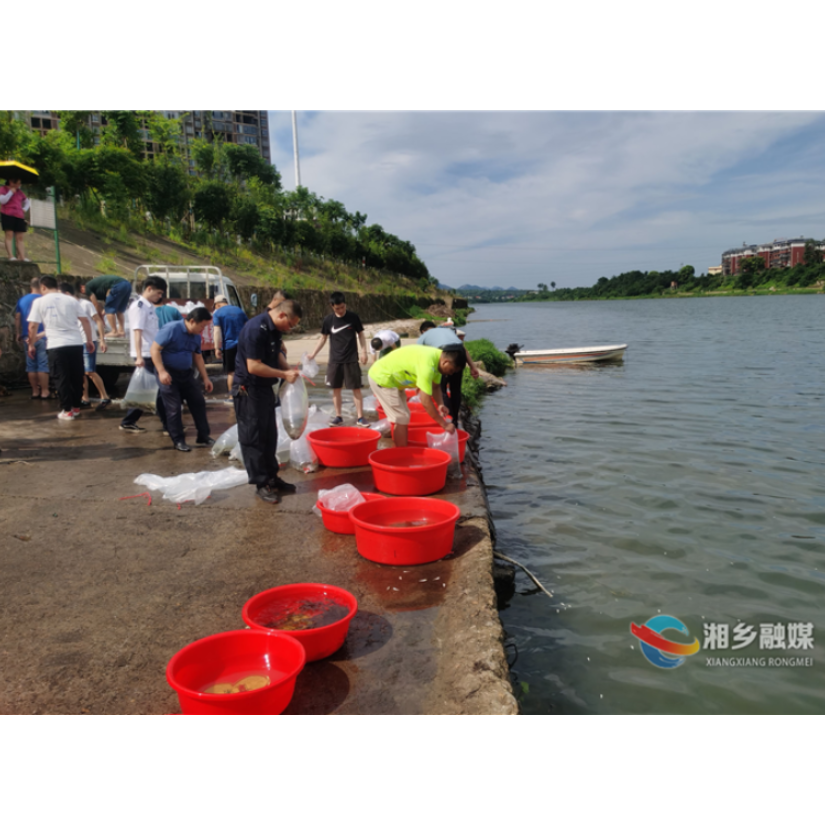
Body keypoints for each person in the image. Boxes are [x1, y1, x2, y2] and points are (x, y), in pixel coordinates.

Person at [232, 300, 303, 504]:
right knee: (253, 436)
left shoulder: (274, 330)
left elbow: (277, 354)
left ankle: (272, 477)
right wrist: (283, 373)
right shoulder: (256, 329)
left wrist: (287, 368)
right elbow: (253, 366)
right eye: (291, 324)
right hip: (247, 388)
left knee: (269, 434)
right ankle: (261, 483)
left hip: (263, 388)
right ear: (282, 316)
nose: (290, 329)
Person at [367, 344, 465, 447]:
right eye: (451, 370)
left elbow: (435, 387)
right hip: (381, 377)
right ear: (446, 362)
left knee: (403, 416)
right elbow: (425, 401)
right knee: (400, 417)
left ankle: (401, 449)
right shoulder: (427, 365)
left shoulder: (437, 360)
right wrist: (443, 424)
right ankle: (401, 453)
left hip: (395, 382)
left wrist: (440, 404)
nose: (450, 374)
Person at [27, 276, 94, 421]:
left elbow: (32, 325)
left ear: (43, 287)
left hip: (56, 345)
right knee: (76, 376)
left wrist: (31, 344)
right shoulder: (71, 299)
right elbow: (85, 320)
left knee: (61, 377)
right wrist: (88, 340)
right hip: (75, 343)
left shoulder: (39, 302)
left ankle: (67, 410)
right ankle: (76, 407)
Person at [151, 308, 215, 453]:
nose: (203, 329)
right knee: (174, 408)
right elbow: (154, 350)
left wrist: (206, 378)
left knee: (198, 402)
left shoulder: (196, 336)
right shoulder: (171, 329)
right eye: (202, 326)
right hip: (167, 372)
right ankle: (178, 440)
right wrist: (161, 372)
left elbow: (197, 356)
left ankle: (203, 436)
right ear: (192, 321)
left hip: (186, 374)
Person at [308, 291, 369, 427]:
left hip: (351, 359)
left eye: (342, 307)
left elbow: (361, 335)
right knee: (336, 389)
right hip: (335, 360)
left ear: (345, 304)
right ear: (332, 306)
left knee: (356, 388)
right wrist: (313, 354)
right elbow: (323, 338)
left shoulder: (353, 317)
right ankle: (338, 416)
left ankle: (360, 417)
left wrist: (364, 352)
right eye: (337, 308)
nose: (341, 310)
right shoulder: (328, 320)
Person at [120, 276, 169, 434]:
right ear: (149, 288)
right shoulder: (139, 306)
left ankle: (130, 421)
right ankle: (168, 424)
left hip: (151, 351)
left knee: (151, 389)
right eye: (159, 292)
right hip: (146, 353)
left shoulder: (148, 306)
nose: (160, 296)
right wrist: (139, 356)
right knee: (158, 389)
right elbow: (137, 331)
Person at [59, 283, 111, 410]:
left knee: (90, 371)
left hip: (89, 341)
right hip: (76, 342)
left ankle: (105, 397)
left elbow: (98, 320)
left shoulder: (85, 304)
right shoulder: (67, 306)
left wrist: (102, 340)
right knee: (81, 372)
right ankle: (85, 398)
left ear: (67, 294)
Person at [417, 321, 480, 422]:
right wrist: (473, 367)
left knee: (442, 390)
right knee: (455, 390)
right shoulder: (446, 330)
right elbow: (464, 350)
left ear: (422, 331)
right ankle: (454, 420)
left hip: (445, 354)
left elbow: (419, 357)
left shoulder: (423, 337)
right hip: (459, 354)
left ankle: (448, 420)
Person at [15, 277, 50, 399]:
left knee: (30, 365)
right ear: (41, 287)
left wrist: (18, 333)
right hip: (42, 336)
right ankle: (45, 392)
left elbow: (17, 317)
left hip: (27, 336)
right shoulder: (43, 299)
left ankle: (35, 392)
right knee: (42, 364)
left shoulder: (22, 300)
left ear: (30, 286)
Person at [212, 295, 248, 393]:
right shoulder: (239, 310)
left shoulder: (217, 313)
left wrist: (216, 348)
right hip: (243, 345)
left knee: (231, 372)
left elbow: (217, 331)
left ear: (217, 305)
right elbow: (247, 327)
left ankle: (232, 396)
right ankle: (245, 394)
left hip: (229, 346)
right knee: (244, 369)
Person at [1, 178, 31, 261]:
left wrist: (24, 209)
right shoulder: (3, 189)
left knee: (20, 237)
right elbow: (2, 201)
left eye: (20, 184)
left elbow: (27, 202)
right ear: (11, 182)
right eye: (18, 183)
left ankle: (22, 256)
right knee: (9, 235)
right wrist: (10, 192)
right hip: (8, 214)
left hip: (19, 215)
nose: (19, 186)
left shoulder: (20, 192)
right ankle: (10, 255)